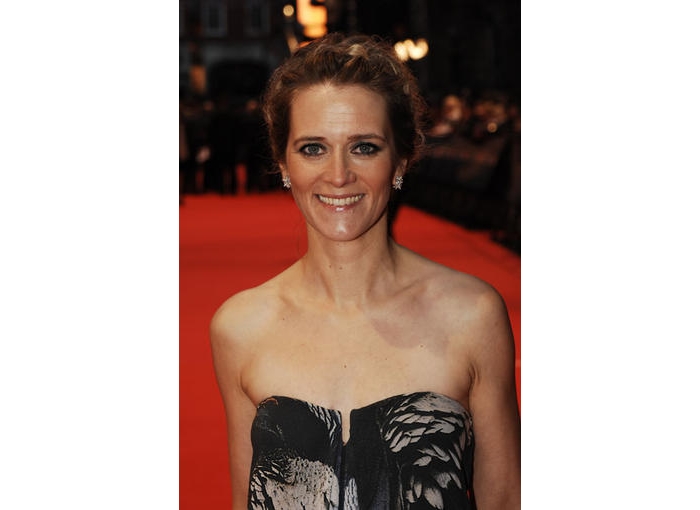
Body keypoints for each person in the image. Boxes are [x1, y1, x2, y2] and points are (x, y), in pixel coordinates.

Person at [210, 33, 520, 510]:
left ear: (401, 160)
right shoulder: (240, 327)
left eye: (364, 147)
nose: (338, 175)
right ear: (283, 162)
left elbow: (506, 499)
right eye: (313, 148)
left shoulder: (472, 316)